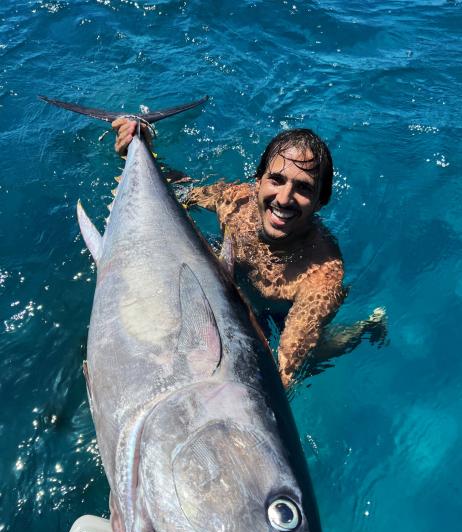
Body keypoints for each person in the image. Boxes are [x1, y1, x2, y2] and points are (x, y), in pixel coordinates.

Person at [112, 118, 386, 388]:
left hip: (283, 313)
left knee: (310, 356)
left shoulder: (321, 276)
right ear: (258, 181)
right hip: (233, 288)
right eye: (276, 180)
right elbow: (177, 194)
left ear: (320, 202)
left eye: (303, 188)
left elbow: (284, 377)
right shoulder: (236, 202)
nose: (283, 198)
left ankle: (365, 327)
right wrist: (140, 145)